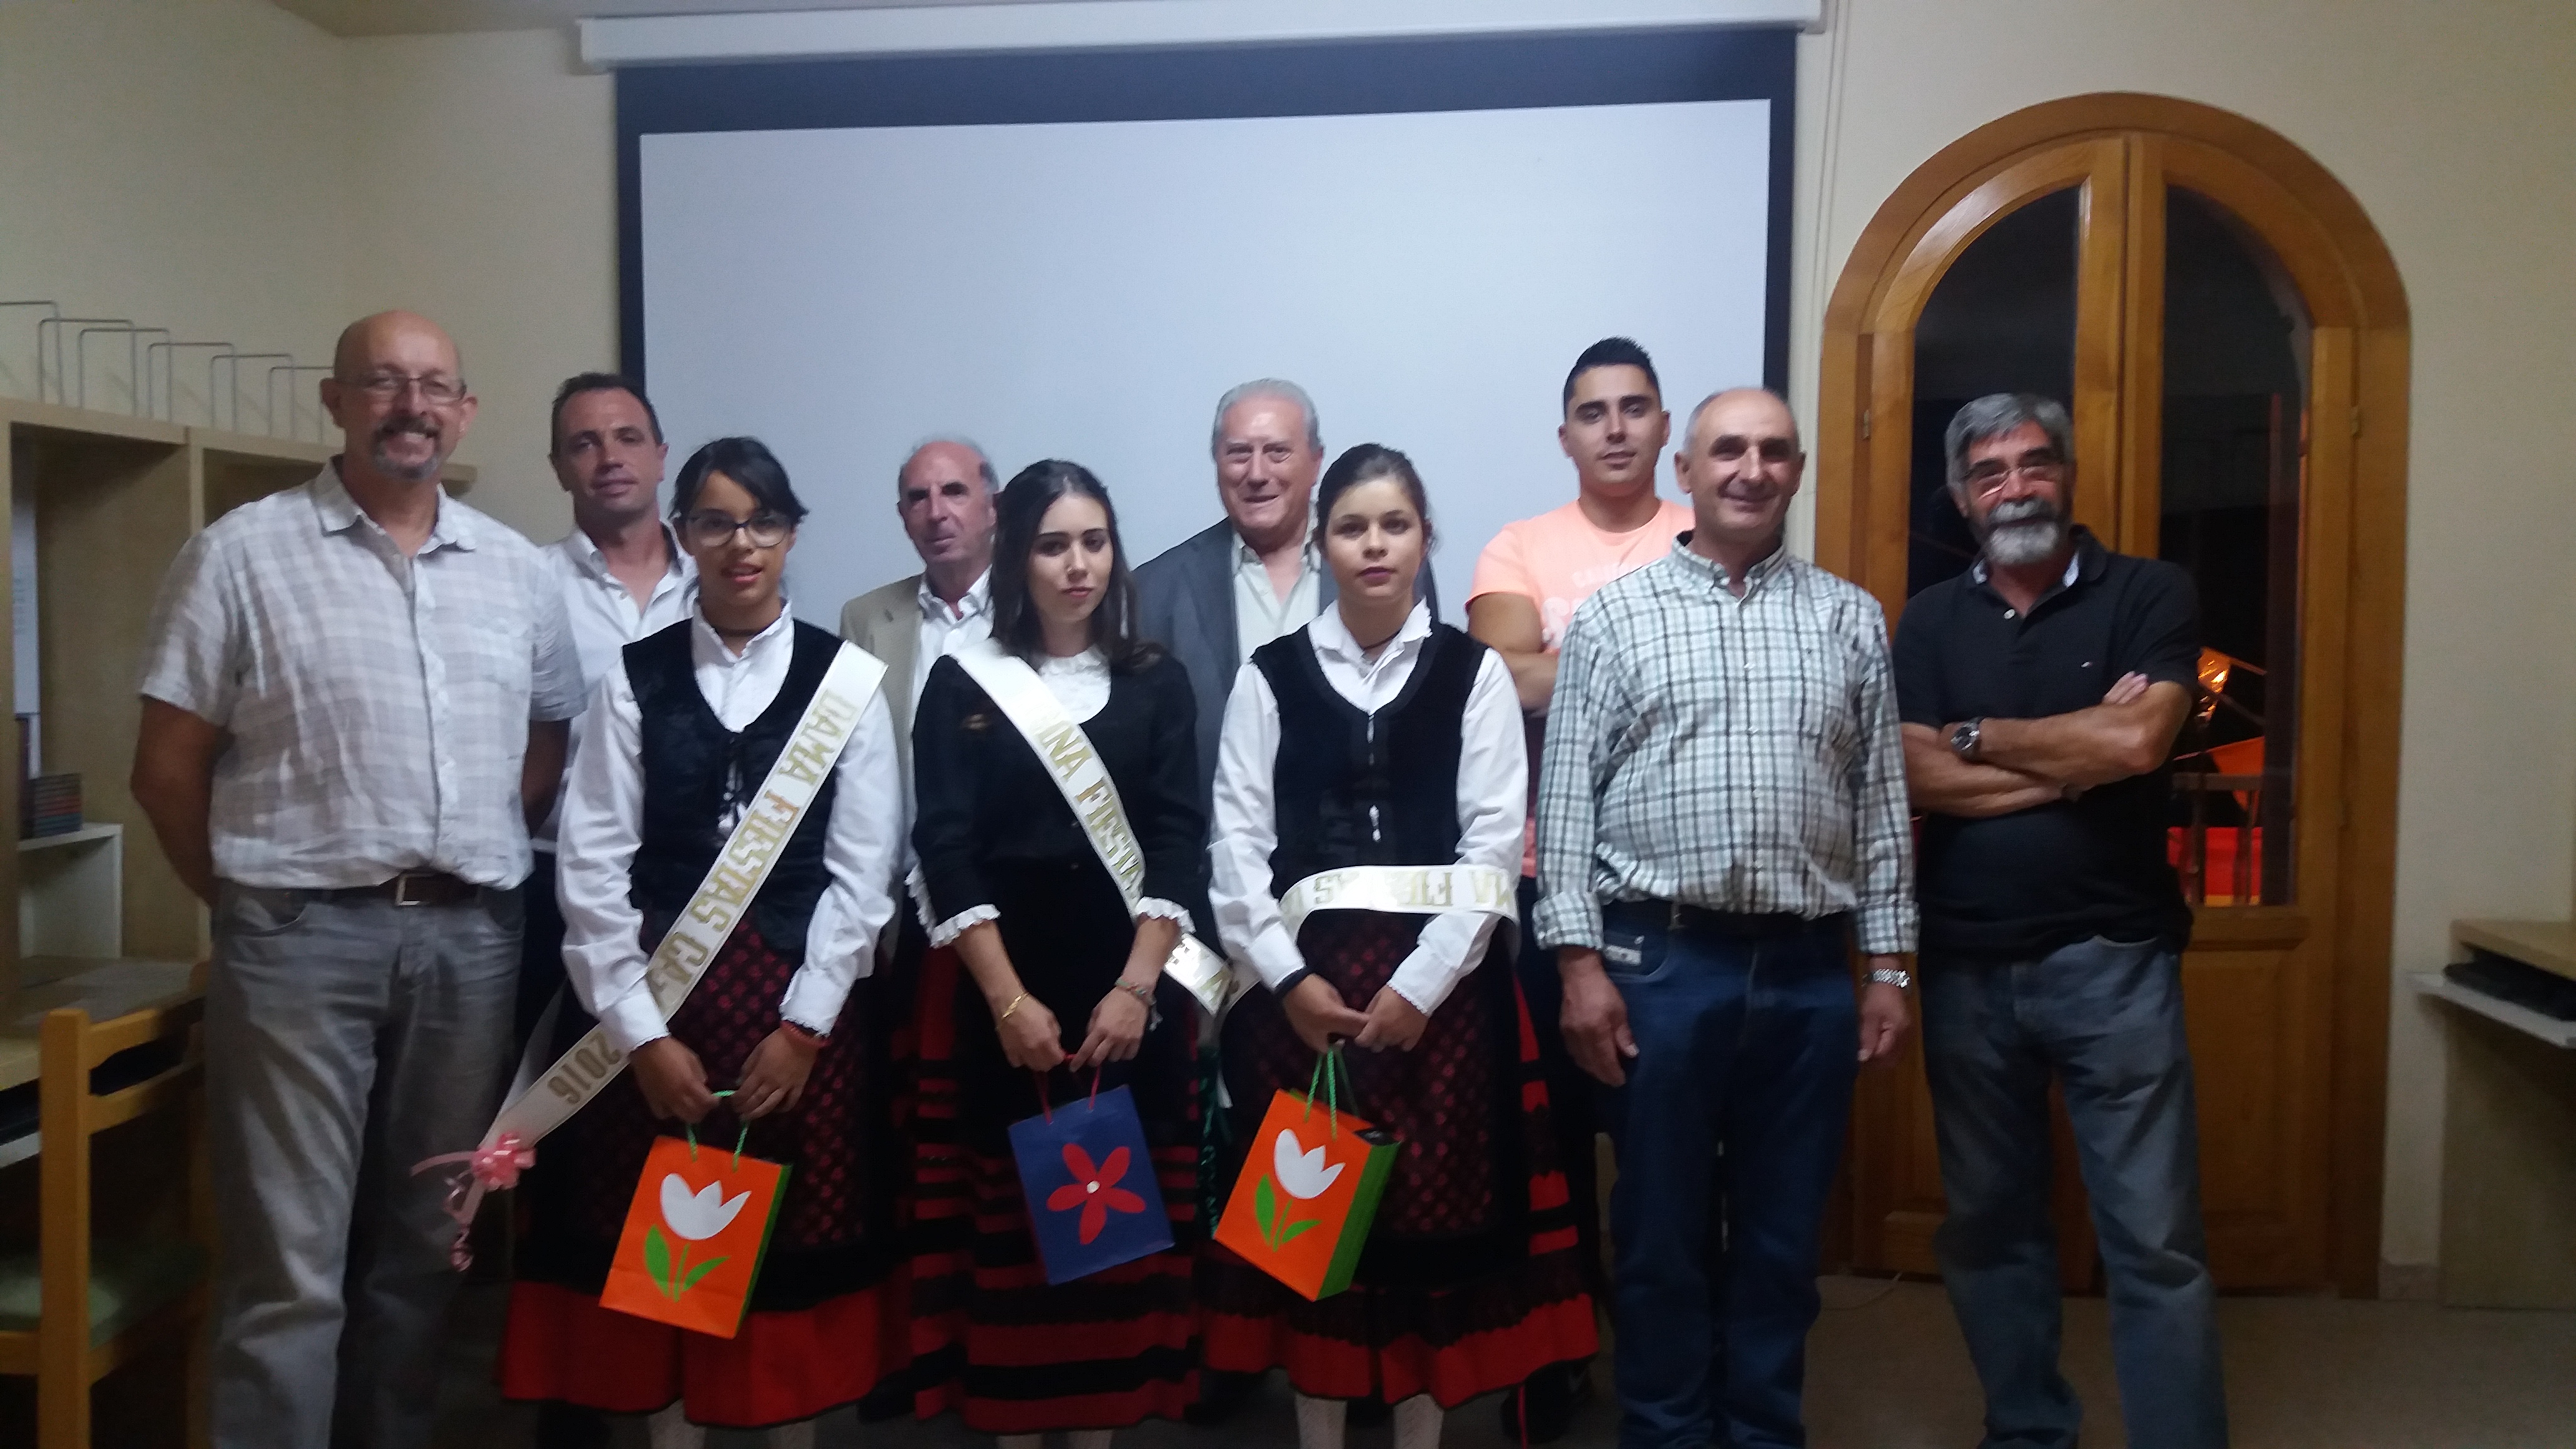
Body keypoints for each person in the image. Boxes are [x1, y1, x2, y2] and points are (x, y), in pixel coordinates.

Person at [129, 310, 583, 1449]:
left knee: (425, 1252)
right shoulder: (241, 552)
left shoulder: (518, 574)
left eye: (434, 385)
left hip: (469, 942)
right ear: (335, 401)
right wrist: (245, 899)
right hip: (295, 945)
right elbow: (165, 768)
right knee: (291, 1265)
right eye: (383, 382)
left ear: (465, 411)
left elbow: (543, 751)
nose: (411, 405)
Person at [499, 436, 907, 1447]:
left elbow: (864, 877)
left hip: (796, 1016)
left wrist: (804, 1028)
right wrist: (640, 1036)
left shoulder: (845, 681)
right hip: (655, 1012)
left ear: (790, 535)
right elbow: (589, 873)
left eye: (762, 521)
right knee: (664, 1267)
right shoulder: (635, 681)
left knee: (784, 1270)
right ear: (684, 538)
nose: (741, 543)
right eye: (716, 522)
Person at [1534, 388, 1916, 1449]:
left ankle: (1758, 1432)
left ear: (1796, 470)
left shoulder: (1847, 617)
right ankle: (1663, 1431)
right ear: (1688, 471)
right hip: (1657, 962)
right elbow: (1561, 811)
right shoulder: (1617, 615)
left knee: (1779, 1241)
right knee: (1658, 1237)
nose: (1751, 469)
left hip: (1804, 974)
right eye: (1728, 451)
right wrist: (1577, 966)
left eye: (1773, 452)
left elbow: (1880, 805)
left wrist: (1886, 966)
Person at [1202, 444, 1599, 1449]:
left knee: (1428, 1251)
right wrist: (1288, 980)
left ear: (1426, 539)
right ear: (1323, 542)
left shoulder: (1472, 677)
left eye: (1396, 524)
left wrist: (1421, 986)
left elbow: (1492, 845)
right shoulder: (1270, 677)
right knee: (1314, 1250)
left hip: (1443, 1012)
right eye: (1351, 526)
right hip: (1299, 1014)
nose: (1374, 545)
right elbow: (1236, 848)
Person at [1893, 393, 2225, 1449]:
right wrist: (2072, 757)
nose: (2014, 487)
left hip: (2112, 960)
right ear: (1959, 497)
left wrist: (1981, 734)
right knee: (1989, 1229)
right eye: (1988, 473)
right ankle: (2027, 1431)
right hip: (1961, 969)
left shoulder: (2148, 592)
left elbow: (2138, 747)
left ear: (2066, 474)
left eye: (2033, 464)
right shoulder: (1928, 619)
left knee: (2155, 1239)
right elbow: (1912, 772)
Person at [908, 461, 1210, 1446]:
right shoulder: (962, 681)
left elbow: (1175, 835)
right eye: (1051, 543)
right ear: (1014, 554)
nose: (1077, 564)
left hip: (1130, 1002)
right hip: (1008, 1005)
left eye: (1093, 541)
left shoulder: (1156, 682)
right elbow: (943, 846)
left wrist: (1136, 989)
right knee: (1017, 1265)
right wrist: (1005, 1000)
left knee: (1111, 1255)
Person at [1463, 336, 1693, 1440]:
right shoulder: (1518, 544)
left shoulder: (1704, 532)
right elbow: (1501, 678)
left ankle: (1665, 1362)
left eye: (1633, 408)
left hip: (1669, 897)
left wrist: (1575, 664)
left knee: (1661, 1154)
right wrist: (1664, 660)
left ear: (1662, 427)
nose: (1613, 427)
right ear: (1565, 436)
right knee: (1539, 1150)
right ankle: (1552, 1357)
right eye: (1592, 412)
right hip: (1532, 889)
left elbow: (1554, 674)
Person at [1136, 379, 1437, 821]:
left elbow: (1420, 713)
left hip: (1355, 864)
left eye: (1278, 451)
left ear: (1316, 462)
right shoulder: (1154, 589)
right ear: (1217, 462)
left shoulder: (1389, 568)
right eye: (1239, 453)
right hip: (1213, 863)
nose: (1257, 474)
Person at [524, 373, 696, 1057]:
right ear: (560, 468)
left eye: (628, 438)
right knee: (556, 1106)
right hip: (557, 890)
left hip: (699, 889)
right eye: (585, 444)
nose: (610, 458)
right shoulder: (527, 585)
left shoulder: (724, 579)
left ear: (661, 454)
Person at [837, 437, 1000, 775]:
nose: (936, 513)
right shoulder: (864, 620)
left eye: (954, 491)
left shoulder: (1038, 608)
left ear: (993, 509)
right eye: (918, 498)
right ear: (903, 516)